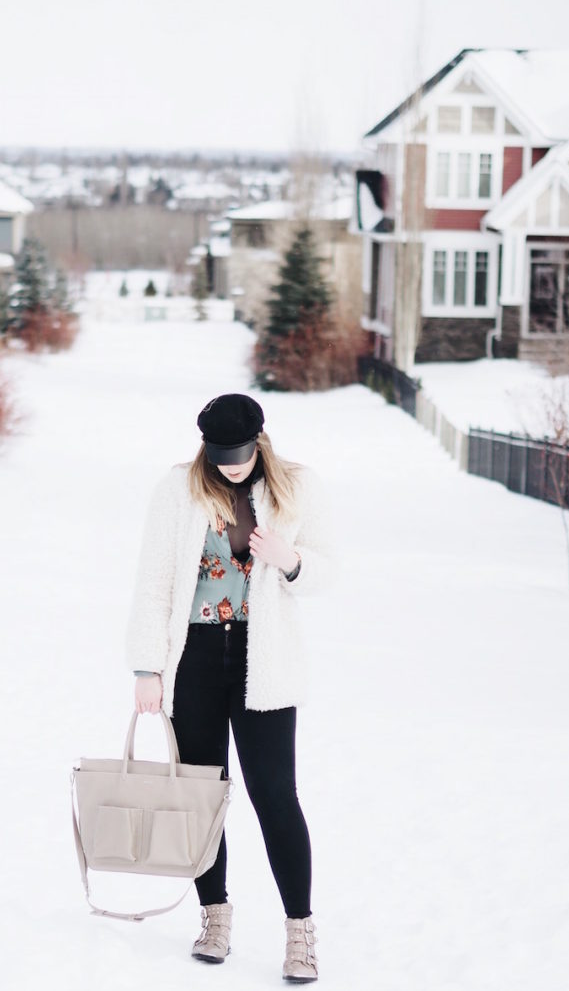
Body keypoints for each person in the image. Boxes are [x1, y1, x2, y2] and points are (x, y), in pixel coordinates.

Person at [126, 393, 330, 983]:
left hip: (263, 660)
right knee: (202, 794)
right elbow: (154, 579)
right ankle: (214, 917)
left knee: (275, 795)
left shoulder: (297, 486)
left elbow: (330, 567)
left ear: (259, 441)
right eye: (219, 457)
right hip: (192, 658)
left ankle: (300, 932)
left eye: (238, 456)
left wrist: (290, 559)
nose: (230, 467)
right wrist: (147, 667)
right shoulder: (178, 488)